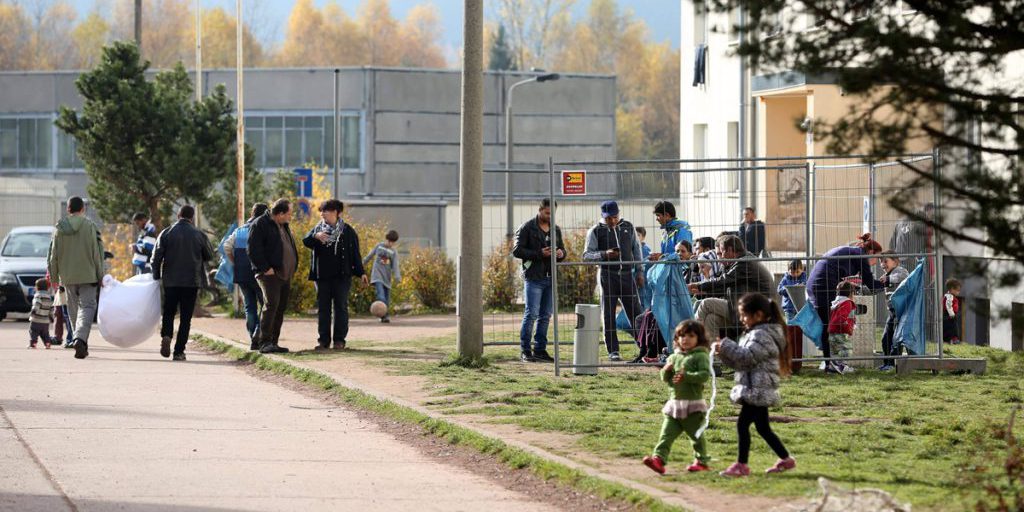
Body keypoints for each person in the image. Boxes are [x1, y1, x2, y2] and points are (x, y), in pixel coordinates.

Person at [715, 293, 795, 477]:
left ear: (758, 315)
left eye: (744, 315)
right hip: (757, 387)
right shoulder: (758, 333)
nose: (742, 319)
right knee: (762, 428)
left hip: (758, 389)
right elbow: (740, 362)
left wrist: (726, 345)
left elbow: (747, 357)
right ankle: (786, 459)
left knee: (743, 425)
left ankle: (742, 465)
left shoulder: (762, 334)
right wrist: (723, 352)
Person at [805, 233, 885, 373]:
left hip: (817, 283)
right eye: (877, 258)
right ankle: (832, 365)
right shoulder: (861, 257)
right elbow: (871, 284)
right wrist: (886, 283)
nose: (877, 262)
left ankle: (830, 363)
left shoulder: (854, 252)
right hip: (823, 285)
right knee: (829, 326)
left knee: (828, 325)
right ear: (871, 252)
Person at [642, 319, 713, 475]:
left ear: (699, 339)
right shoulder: (675, 357)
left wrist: (686, 376)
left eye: (690, 336)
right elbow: (665, 379)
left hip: (693, 407)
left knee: (696, 437)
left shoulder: (700, 356)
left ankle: (702, 462)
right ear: (677, 339)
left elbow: (704, 376)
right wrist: (666, 370)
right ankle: (658, 460)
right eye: (682, 336)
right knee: (666, 435)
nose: (685, 339)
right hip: (674, 405)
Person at [583, 201, 645, 362]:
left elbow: (636, 251)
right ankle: (613, 350)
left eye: (615, 217)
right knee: (608, 313)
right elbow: (586, 256)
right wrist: (604, 254)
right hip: (607, 275)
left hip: (627, 275)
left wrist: (639, 271)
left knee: (636, 312)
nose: (612, 221)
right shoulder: (595, 231)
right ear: (603, 216)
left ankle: (645, 347)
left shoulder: (628, 227)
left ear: (619, 214)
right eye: (609, 218)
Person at [151, 205, 214, 361]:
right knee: (186, 317)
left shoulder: (166, 232)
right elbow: (209, 255)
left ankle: (166, 335)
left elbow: (156, 256)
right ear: (192, 218)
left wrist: (156, 276)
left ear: (178, 216)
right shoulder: (199, 234)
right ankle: (179, 351)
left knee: (169, 312)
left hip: (171, 281)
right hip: (191, 282)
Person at [302, 199, 367, 351]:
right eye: (322, 211)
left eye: (327, 211)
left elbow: (355, 254)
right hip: (322, 276)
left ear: (337, 213)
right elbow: (306, 241)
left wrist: (361, 272)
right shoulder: (317, 229)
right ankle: (323, 341)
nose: (323, 214)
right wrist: (315, 236)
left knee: (341, 308)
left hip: (342, 276)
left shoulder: (348, 231)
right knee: (323, 309)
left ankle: (339, 341)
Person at [47, 196, 105, 360]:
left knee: (73, 310)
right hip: (88, 275)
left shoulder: (59, 228)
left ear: (68, 209)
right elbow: (97, 254)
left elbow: (53, 255)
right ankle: (80, 339)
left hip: (68, 276)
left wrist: (54, 276)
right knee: (87, 308)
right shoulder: (90, 226)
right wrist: (101, 275)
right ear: (83, 209)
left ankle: (79, 341)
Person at [688, 235, 775, 342]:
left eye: (722, 252)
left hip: (755, 311)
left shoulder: (745, 263)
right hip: (744, 308)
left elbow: (724, 281)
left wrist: (698, 286)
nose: (721, 257)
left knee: (706, 304)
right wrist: (701, 287)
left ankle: (693, 337)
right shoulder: (738, 263)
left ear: (730, 250)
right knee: (711, 319)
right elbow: (723, 285)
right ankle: (714, 356)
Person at [512, 199, 566, 362]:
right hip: (534, 277)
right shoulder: (527, 227)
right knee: (532, 314)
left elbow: (563, 249)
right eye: (547, 213)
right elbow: (517, 251)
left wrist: (561, 254)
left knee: (546, 315)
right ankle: (525, 350)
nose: (550, 216)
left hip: (551, 277)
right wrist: (539, 253)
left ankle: (540, 350)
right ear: (540, 210)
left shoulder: (555, 229)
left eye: (552, 214)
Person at [248, 199, 298, 354]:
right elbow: (253, 249)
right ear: (280, 213)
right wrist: (265, 268)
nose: (291, 216)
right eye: (289, 213)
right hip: (270, 274)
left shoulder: (284, 225)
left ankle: (273, 342)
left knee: (280, 308)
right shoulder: (260, 224)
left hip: (284, 275)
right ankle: (264, 342)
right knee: (270, 307)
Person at [224, 203, 270, 350]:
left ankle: (252, 338)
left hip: (242, 273)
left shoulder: (240, 230)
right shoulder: (264, 229)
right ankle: (258, 332)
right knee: (264, 304)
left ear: (252, 213)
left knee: (249, 306)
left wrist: (235, 262)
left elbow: (226, 246)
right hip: (258, 273)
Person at [878, 252, 910, 370]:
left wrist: (888, 278)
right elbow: (877, 288)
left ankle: (893, 364)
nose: (882, 264)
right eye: (881, 261)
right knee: (886, 337)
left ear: (895, 261)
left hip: (900, 310)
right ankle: (887, 363)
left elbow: (903, 277)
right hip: (892, 312)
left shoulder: (900, 271)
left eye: (885, 261)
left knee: (895, 338)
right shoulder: (886, 275)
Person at [363, 230, 402, 324]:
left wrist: (397, 276)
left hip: (387, 278)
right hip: (377, 276)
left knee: (387, 299)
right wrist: (360, 265)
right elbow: (369, 256)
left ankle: (385, 316)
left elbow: (395, 266)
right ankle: (381, 314)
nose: (390, 243)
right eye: (389, 241)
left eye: (392, 242)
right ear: (386, 239)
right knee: (381, 296)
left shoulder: (393, 252)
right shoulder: (379, 246)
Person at [827, 281, 858, 374]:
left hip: (832, 330)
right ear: (851, 293)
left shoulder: (836, 302)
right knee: (846, 349)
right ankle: (841, 366)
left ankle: (833, 368)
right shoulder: (847, 303)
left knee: (834, 350)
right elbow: (842, 318)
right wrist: (848, 327)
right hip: (841, 331)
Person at [28, 277, 54, 349]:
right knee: (45, 333)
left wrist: (33, 311)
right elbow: (51, 308)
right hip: (45, 321)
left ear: (37, 287)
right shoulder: (49, 297)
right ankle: (47, 343)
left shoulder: (38, 295)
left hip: (36, 319)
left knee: (33, 331)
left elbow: (37, 303)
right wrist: (51, 317)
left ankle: (33, 344)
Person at [943, 278, 962, 345]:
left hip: (951, 314)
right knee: (953, 327)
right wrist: (952, 314)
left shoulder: (951, 296)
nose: (958, 292)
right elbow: (948, 305)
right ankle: (954, 339)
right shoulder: (949, 297)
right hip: (950, 315)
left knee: (952, 327)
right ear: (951, 289)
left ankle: (951, 339)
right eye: (957, 290)